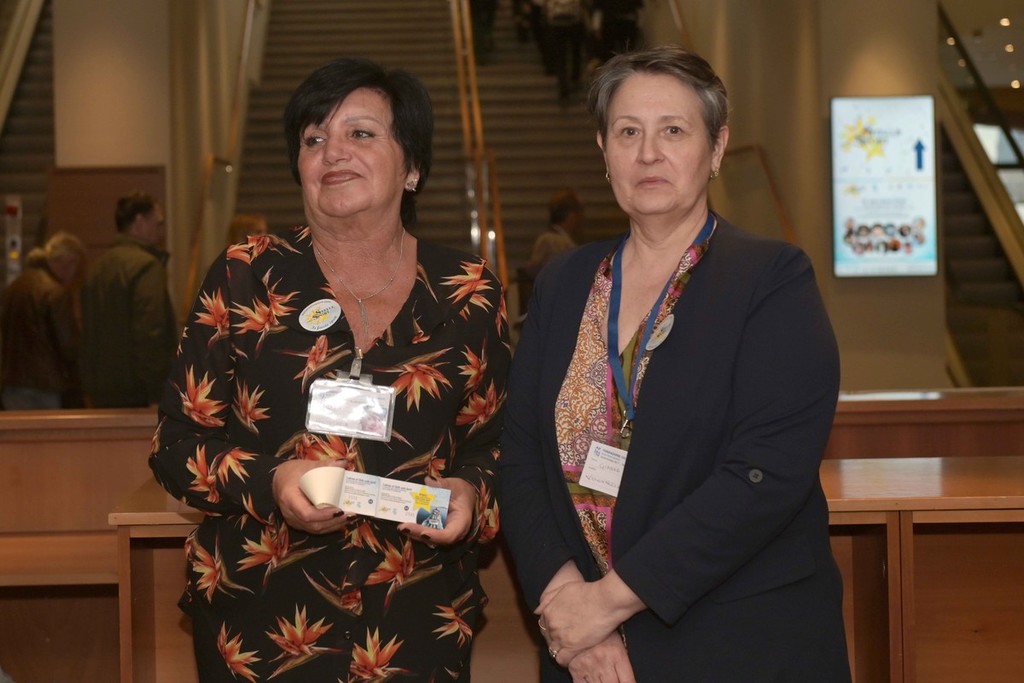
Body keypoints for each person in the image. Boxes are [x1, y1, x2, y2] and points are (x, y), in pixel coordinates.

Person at [149, 57, 510, 682]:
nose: (333, 152)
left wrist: (472, 494)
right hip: (260, 620)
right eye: (314, 139)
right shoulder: (246, 275)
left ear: (413, 166)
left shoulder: (468, 292)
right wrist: (272, 482)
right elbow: (176, 446)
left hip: (414, 617)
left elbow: (497, 443)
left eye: (360, 133)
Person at [498, 46, 851, 682]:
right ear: (604, 150)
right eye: (628, 132)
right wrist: (569, 609)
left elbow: (765, 474)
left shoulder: (771, 280)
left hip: (738, 643)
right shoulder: (565, 283)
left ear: (717, 148)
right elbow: (520, 457)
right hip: (586, 653)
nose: (648, 153)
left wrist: (606, 604)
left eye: (674, 131)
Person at [79, 191, 177, 408]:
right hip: (136, 392)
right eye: (157, 223)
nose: (160, 231)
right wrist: (157, 390)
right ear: (139, 222)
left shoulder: (96, 269)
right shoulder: (146, 267)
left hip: (100, 390)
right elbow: (151, 332)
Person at [0, 232, 86, 409]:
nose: (73, 277)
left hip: (11, 382)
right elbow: (68, 344)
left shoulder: (14, 288)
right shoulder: (56, 292)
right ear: (69, 262)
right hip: (46, 385)